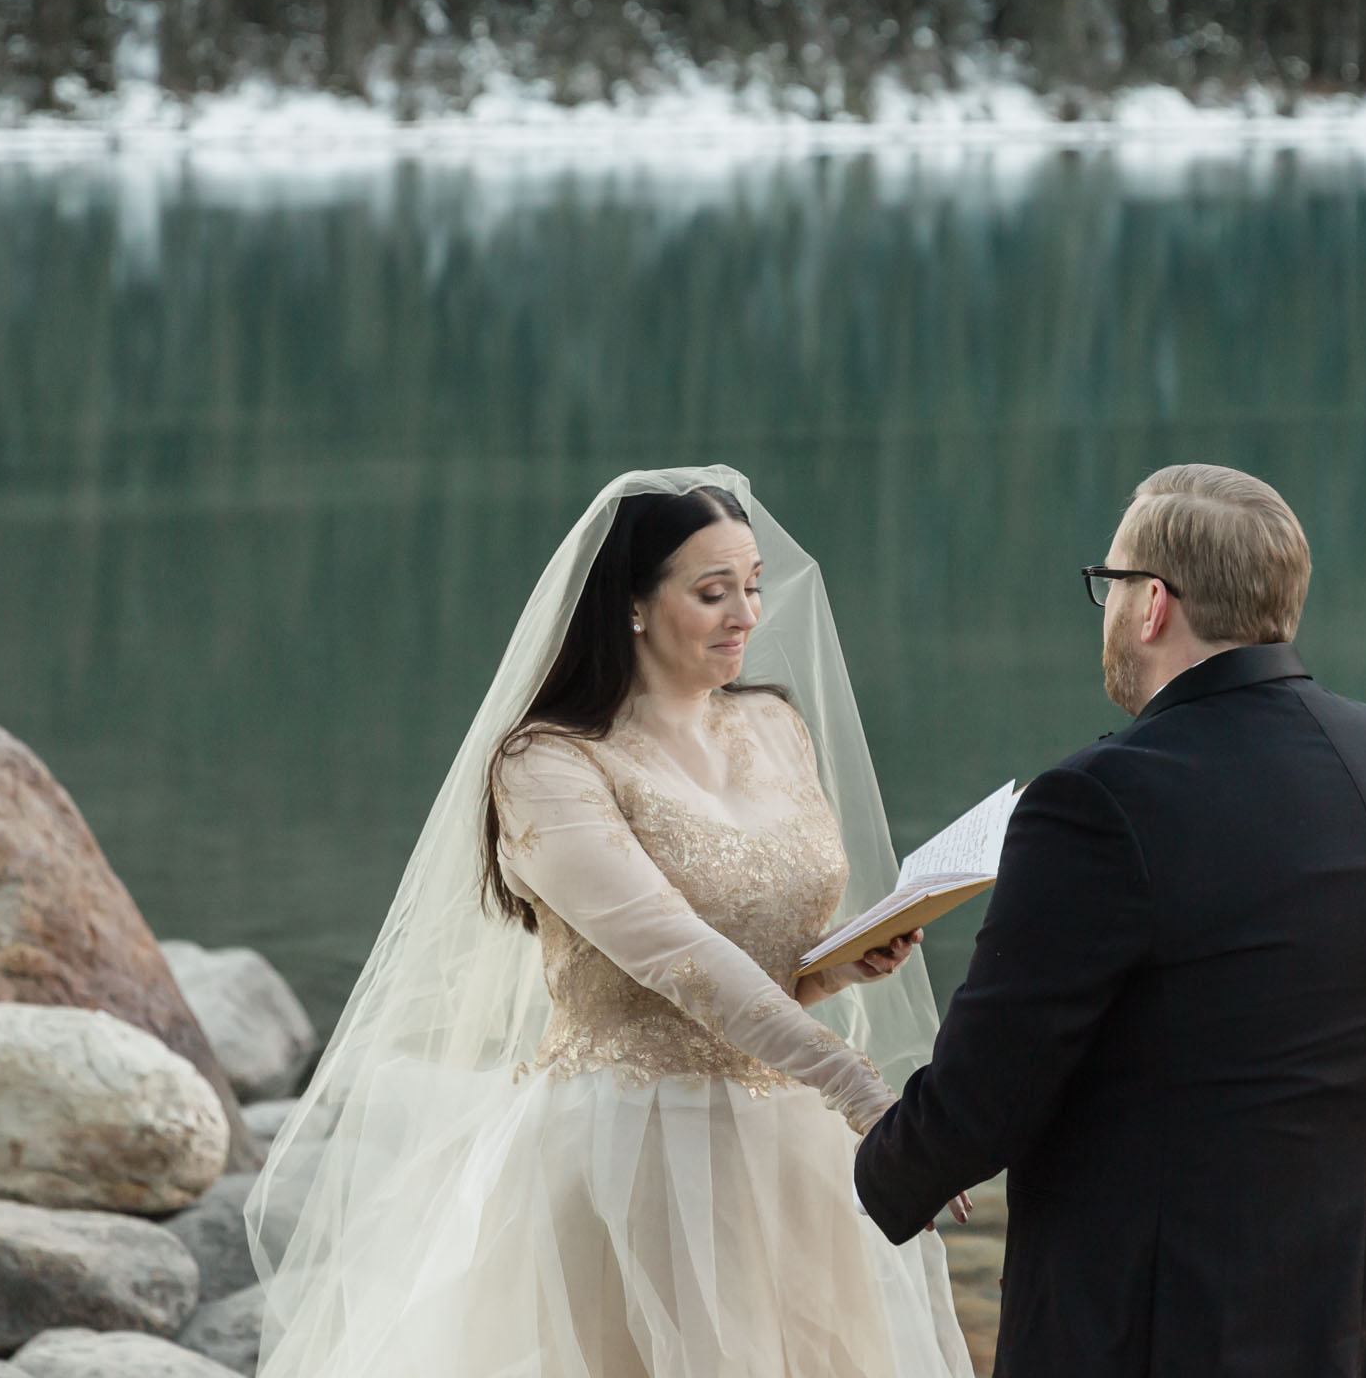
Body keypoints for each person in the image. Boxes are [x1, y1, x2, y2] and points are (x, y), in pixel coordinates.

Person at [247, 467, 974, 1378]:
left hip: (785, 1132)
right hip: (635, 1144)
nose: (747, 613)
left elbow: (753, 960)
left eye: (752, 586)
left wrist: (837, 966)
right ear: (631, 605)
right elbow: (672, 954)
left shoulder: (774, 728)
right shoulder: (549, 767)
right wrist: (863, 1092)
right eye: (713, 593)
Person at [855, 463, 1366, 1378]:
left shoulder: (1099, 801)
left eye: (1106, 584)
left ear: (1151, 604)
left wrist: (863, 1175)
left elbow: (984, 1099)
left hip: (1177, 1330)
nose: (1104, 609)